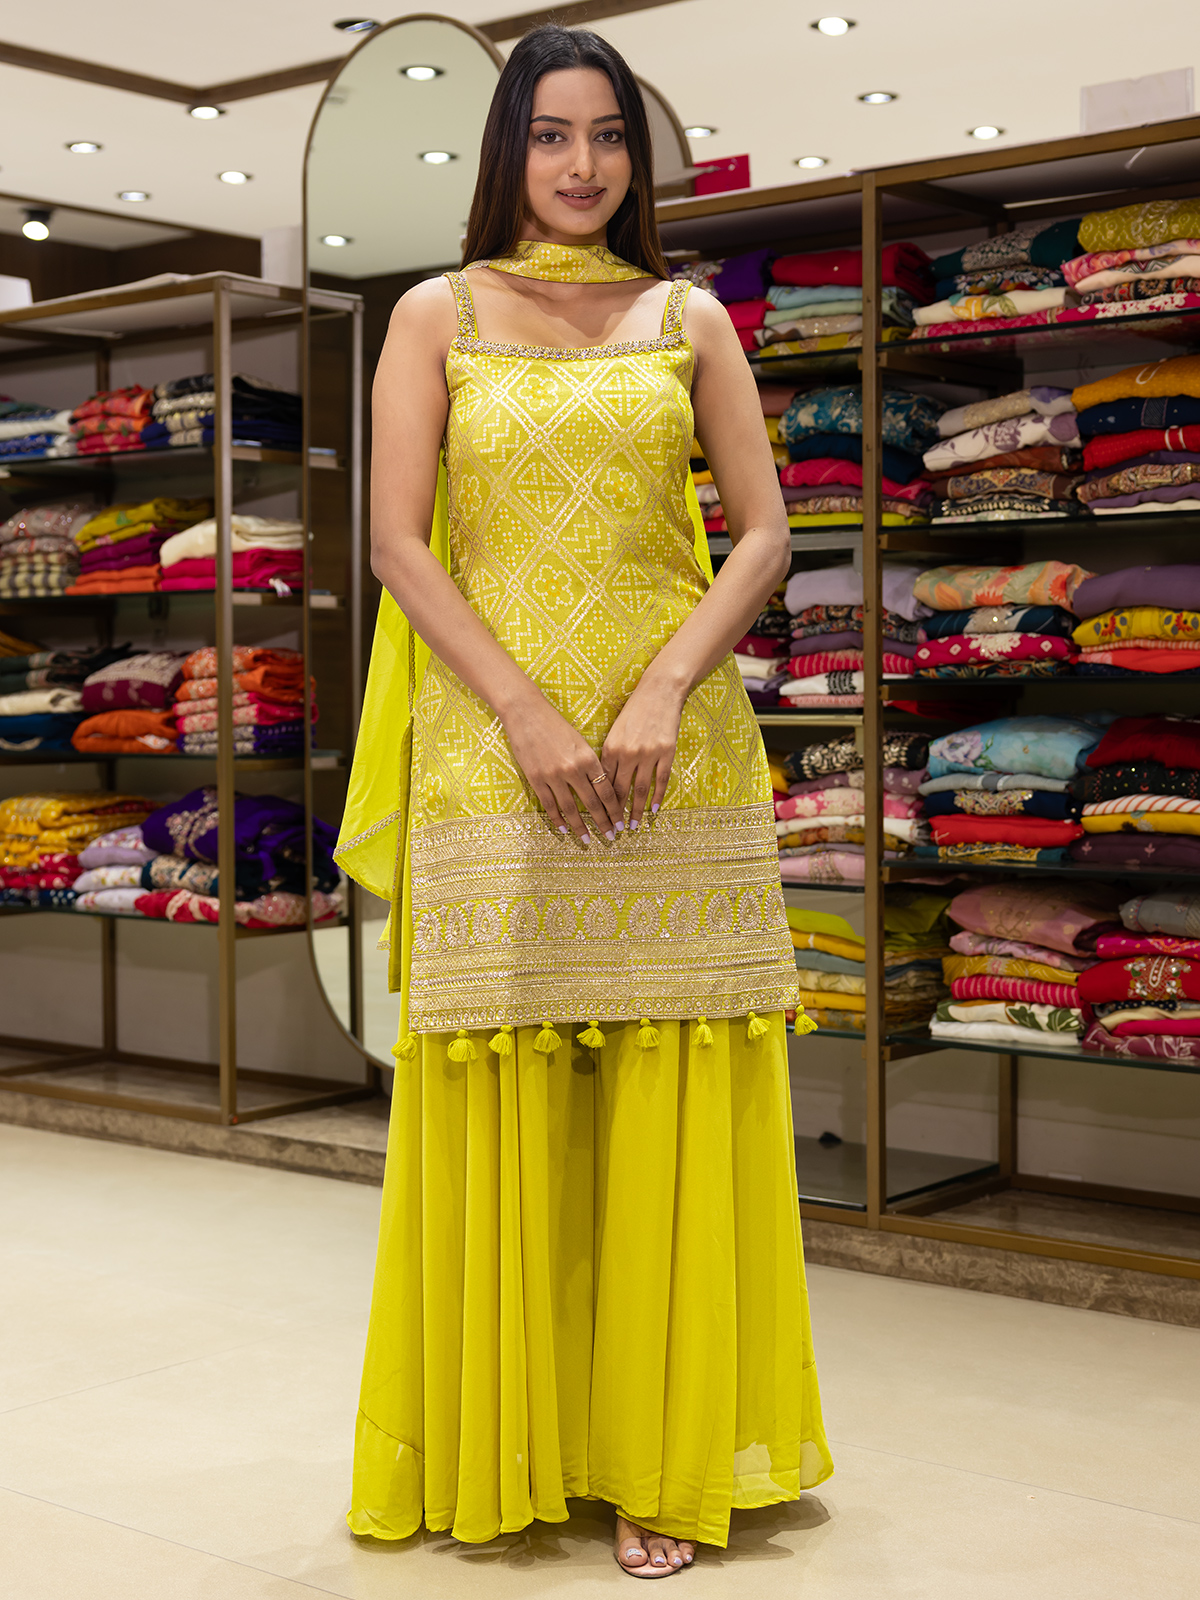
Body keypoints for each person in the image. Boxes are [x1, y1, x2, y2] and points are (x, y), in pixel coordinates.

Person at [335, 22, 833, 1577]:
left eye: (608, 134)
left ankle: (659, 1460)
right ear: (509, 149)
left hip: (676, 754)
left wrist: (667, 685)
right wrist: (529, 710)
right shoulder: (436, 313)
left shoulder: (690, 316)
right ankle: (512, 1444)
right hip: (496, 754)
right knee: (510, 1096)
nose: (582, 163)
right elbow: (397, 543)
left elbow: (764, 534)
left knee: (672, 1097)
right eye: (552, 134)